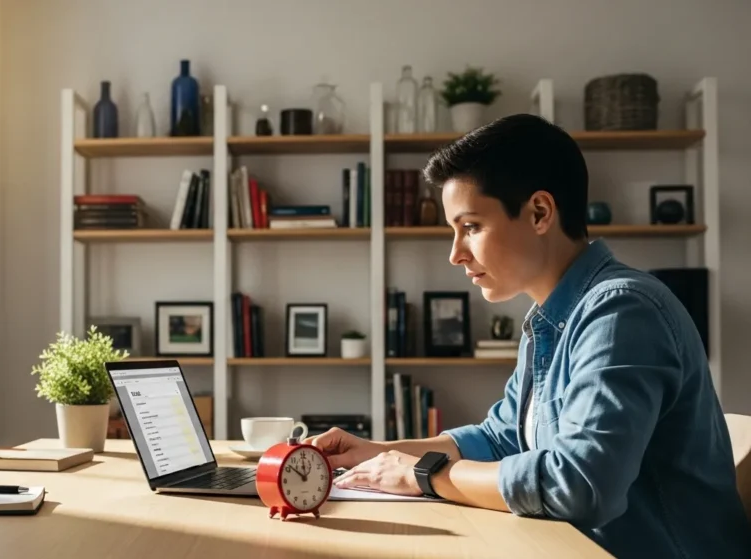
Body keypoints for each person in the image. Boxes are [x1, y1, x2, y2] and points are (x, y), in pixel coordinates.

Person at [308, 114, 751, 557]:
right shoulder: (551, 319)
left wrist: (424, 475)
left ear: (540, 212)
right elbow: (502, 438)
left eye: (471, 227)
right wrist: (378, 453)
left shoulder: (623, 311)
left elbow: (578, 484)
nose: (455, 254)